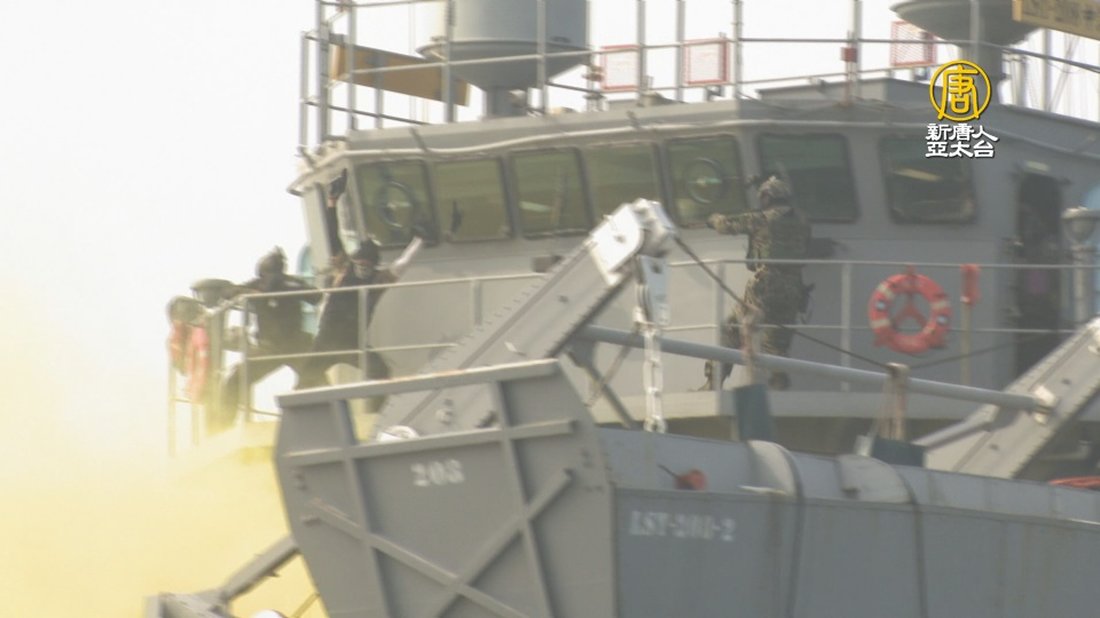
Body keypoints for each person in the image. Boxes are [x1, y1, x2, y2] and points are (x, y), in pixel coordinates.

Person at [296, 180, 425, 390]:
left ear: (373, 265)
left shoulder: (377, 279)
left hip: (352, 344)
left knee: (380, 371)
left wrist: (419, 241)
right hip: (327, 340)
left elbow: (402, 264)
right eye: (360, 263)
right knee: (305, 378)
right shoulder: (344, 268)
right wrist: (332, 202)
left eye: (367, 264)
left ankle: (375, 407)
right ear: (355, 260)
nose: (363, 267)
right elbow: (333, 236)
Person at [703, 175, 812, 390]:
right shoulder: (803, 221)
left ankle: (713, 382)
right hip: (793, 287)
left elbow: (727, 225)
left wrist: (713, 219)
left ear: (767, 197)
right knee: (776, 344)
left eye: (762, 196)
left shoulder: (761, 218)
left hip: (766, 285)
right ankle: (779, 387)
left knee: (731, 329)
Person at [216, 247, 320, 432]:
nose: (270, 280)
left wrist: (286, 289)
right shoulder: (256, 285)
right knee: (235, 381)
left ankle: (325, 422)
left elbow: (316, 296)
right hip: (269, 348)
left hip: (296, 346)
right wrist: (248, 293)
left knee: (319, 381)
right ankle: (222, 428)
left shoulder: (290, 283)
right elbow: (227, 292)